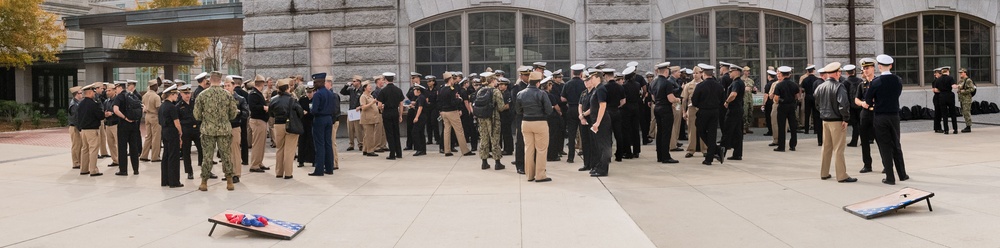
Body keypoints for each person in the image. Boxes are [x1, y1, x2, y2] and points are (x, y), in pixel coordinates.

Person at [862, 54, 909, 185]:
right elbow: (898, 94)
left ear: (879, 66)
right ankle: (902, 173)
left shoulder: (875, 83)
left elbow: (867, 100)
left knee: (885, 146)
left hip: (880, 116)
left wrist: (874, 103)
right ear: (891, 66)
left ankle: (890, 177)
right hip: (894, 115)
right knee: (896, 144)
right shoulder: (898, 80)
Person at [193, 71, 239, 191]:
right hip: (224, 130)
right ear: (220, 80)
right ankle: (229, 181)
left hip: (208, 130)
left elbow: (196, 115)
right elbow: (234, 114)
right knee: (226, 155)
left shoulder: (202, 95)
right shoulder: (228, 95)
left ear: (210, 80)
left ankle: (204, 182)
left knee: (207, 156)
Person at [814, 62, 857, 183]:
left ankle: (824, 172)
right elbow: (843, 104)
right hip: (836, 121)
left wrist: (823, 112)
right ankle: (842, 175)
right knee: (838, 148)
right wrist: (845, 118)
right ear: (837, 73)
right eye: (839, 72)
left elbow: (816, 103)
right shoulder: (839, 86)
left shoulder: (820, 86)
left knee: (826, 147)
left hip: (825, 120)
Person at [516, 71, 553, 182]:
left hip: (526, 122)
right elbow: (549, 110)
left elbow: (518, 110)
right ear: (538, 83)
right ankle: (540, 175)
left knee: (528, 149)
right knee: (541, 150)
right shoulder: (542, 93)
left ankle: (529, 175)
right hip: (540, 122)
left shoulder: (520, 93)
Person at [269, 78, 304, 179]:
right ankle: (288, 173)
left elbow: (270, 113)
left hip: (277, 125)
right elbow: (300, 112)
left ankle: (279, 172)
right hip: (290, 125)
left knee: (279, 148)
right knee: (289, 150)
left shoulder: (273, 99)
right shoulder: (292, 99)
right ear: (287, 88)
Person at [691, 64, 726, 165]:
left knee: (701, 130)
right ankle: (710, 156)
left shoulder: (700, 86)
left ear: (703, 74)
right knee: (712, 134)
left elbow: (694, 101)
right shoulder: (719, 86)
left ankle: (716, 150)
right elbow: (722, 100)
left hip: (703, 111)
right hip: (715, 111)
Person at [474, 72, 506, 169]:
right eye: (496, 80)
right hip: (493, 118)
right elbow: (501, 107)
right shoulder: (496, 92)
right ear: (492, 80)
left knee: (483, 139)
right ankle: (497, 162)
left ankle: (484, 162)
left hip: (482, 118)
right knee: (495, 139)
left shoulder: (480, 91)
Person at [585, 68, 613, 177]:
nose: (590, 80)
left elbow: (602, 105)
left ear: (597, 77)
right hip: (597, 121)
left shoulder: (601, 89)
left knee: (604, 145)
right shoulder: (596, 89)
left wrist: (597, 122)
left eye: (591, 78)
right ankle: (599, 166)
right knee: (598, 146)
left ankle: (603, 169)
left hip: (602, 122)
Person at [309, 73, 339, 176]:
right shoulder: (330, 93)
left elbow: (314, 110)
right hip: (329, 119)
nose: (314, 84)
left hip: (320, 119)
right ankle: (330, 168)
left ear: (319, 82)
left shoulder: (317, 94)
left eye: (315, 82)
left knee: (319, 145)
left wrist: (311, 111)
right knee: (328, 143)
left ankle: (319, 169)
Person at [439, 72, 474, 157]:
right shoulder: (451, 89)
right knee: (459, 131)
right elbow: (453, 102)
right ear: (450, 79)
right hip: (452, 111)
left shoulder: (442, 89)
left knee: (447, 131)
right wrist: (459, 99)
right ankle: (465, 150)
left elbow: (439, 101)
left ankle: (447, 150)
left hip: (444, 112)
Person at [113, 80, 144, 176]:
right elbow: (143, 107)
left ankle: (123, 170)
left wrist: (125, 117)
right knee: (133, 147)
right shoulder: (132, 96)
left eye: (115, 88)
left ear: (119, 87)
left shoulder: (120, 97)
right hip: (134, 124)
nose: (115, 90)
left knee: (122, 148)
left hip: (123, 125)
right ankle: (136, 169)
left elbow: (115, 110)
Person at [652, 62, 680, 164]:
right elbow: (670, 98)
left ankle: (660, 155)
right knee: (666, 133)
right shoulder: (667, 83)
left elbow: (653, 97)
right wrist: (677, 99)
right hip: (665, 109)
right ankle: (666, 156)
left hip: (657, 107)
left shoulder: (654, 82)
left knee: (659, 132)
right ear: (666, 71)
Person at [854, 58, 878, 173]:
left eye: (867, 68)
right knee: (864, 140)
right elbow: (856, 99)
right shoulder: (861, 85)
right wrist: (862, 103)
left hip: (876, 113)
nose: (865, 70)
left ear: (873, 68)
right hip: (865, 114)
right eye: (864, 68)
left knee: (881, 140)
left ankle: (886, 164)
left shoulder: (878, 82)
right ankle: (867, 165)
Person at [78, 83, 106, 176]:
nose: (94, 94)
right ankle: (93, 170)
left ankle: (84, 169)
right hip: (92, 129)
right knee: (93, 149)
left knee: (85, 149)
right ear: (90, 93)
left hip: (83, 130)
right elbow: (100, 116)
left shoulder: (80, 104)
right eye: (93, 92)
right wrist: (104, 114)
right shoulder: (93, 104)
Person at [376, 72, 405, 160]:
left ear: (385, 80)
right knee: (396, 132)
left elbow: (379, 105)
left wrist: (382, 109)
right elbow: (401, 104)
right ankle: (399, 153)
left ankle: (392, 153)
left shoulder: (383, 91)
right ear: (393, 79)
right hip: (395, 112)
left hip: (387, 113)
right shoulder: (398, 90)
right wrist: (400, 115)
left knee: (389, 134)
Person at [226, 77, 249, 183]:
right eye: (225, 86)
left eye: (228, 85)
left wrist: (238, 112)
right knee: (225, 152)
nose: (226, 88)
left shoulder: (240, 99)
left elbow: (246, 113)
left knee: (235, 151)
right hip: (223, 128)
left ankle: (236, 174)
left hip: (235, 126)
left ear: (233, 86)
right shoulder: (221, 99)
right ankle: (228, 173)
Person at [720, 66, 746, 160]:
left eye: (731, 71)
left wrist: (727, 102)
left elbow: (733, 94)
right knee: (737, 133)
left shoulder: (736, 83)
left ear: (736, 72)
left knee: (727, 132)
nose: (729, 73)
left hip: (733, 110)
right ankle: (737, 154)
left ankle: (721, 154)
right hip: (738, 109)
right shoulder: (740, 82)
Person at [159, 85, 183, 187]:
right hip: (172, 131)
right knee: (174, 156)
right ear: (171, 95)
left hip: (164, 131)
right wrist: (180, 133)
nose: (177, 96)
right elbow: (176, 122)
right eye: (176, 94)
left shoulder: (162, 106)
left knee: (166, 155)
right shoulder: (172, 107)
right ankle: (174, 181)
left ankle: (165, 180)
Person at [681, 67, 708, 158]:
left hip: (702, 109)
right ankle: (691, 150)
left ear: (701, 73)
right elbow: (684, 100)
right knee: (691, 130)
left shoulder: (705, 84)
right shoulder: (688, 85)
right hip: (691, 109)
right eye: (693, 73)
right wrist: (684, 112)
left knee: (703, 129)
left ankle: (704, 149)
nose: (695, 75)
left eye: (697, 73)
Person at [247, 75, 271, 173]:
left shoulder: (257, 93)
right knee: (257, 144)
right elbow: (253, 107)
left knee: (261, 144)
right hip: (257, 121)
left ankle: (259, 162)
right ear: (262, 83)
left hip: (261, 121)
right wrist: (263, 107)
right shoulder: (253, 94)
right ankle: (254, 165)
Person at [773, 66, 799, 152]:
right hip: (792, 106)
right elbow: (797, 96)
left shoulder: (779, 85)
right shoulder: (794, 84)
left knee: (781, 126)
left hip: (782, 107)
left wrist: (779, 101)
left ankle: (781, 146)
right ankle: (793, 145)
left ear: (782, 74)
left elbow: (776, 98)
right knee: (793, 126)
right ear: (789, 74)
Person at [621, 66, 644, 159]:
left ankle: (628, 152)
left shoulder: (624, 86)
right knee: (635, 129)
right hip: (636, 107)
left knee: (626, 130)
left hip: (626, 108)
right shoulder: (637, 84)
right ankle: (636, 151)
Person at [140, 81, 162, 162]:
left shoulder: (145, 95)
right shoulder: (156, 97)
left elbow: (143, 105)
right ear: (155, 86)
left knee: (148, 136)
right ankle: (155, 156)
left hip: (147, 116)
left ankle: (144, 155)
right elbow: (158, 108)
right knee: (156, 137)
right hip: (154, 116)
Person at [340, 75, 364, 151]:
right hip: (351, 111)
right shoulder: (351, 90)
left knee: (358, 129)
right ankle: (351, 144)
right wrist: (346, 85)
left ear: (359, 82)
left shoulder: (362, 90)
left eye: (354, 81)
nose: (352, 83)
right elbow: (342, 92)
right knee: (350, 129)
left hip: (358, 111)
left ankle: (361, 144)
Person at [359, 81, 380, 157]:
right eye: (369, 86)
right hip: (367, 118)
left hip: (372, 118)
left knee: (367, 135)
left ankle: (365, 149)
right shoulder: (363, 96)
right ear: (365, 88)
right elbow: (363, 107)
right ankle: (370, 150)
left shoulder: (370, 96)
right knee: (369, 135)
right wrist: (372, 103)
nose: (370, 87)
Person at [935, 67, 959, 134]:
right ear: (947, 72)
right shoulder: (950, 78)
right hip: (949, 95)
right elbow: (954, 86)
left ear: (942, 72)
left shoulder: (938, 79)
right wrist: (958, 86)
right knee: (952, 113)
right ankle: (955, 129)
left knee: (944, 114)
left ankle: (946, 130)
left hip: (942, 96)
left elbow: (936, 90)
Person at [843, 65, 863, 147]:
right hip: (860, 104)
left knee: (855, 124)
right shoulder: (860, 81)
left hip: (851, 106)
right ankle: (864, 140)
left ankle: (854, 141)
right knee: (861, 123)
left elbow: (844, 96)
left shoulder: (845, 82)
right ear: (854, 72)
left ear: (847, 73)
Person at [298, 82, 316, 167]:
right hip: (303, 122)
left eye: (310, 92)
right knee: (302, 142)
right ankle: (301, 160)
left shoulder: (315, 99)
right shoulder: (302, 100)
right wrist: (302, 112)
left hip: (312, 122)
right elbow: (298, 109)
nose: (309, 94)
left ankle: (313, 160)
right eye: (308, 92)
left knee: (312, 142)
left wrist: (308, 113)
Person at [102, 84, 120, 168]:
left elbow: (121, 111)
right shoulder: (106, 101)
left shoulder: (118, 100)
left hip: (116, 124)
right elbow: (104, 110)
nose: (107, 92)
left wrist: (112, 113)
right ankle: (115, 160)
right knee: (110, 144)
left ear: (114, 90)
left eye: (109, 90)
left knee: (119, 143)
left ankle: (121, 160)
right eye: (106, 91)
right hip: (108, 124)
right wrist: (105, 114)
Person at [68, 86, 83, 170]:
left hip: (76, 126)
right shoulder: (74, 104)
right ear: (76, 94)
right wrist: (80, 129)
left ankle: (79, 161)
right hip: (74, 127)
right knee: (76, 145)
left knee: (79, 145)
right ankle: (76, 163)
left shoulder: (77, 103)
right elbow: (75, 118)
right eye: (81, 93)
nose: (82, 95)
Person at [957, 68, 976, 133]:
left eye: (961, 73)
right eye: (959, 73)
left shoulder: (968, 80)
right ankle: (967, 125)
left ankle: (968, 126)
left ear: (965, 73)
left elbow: (972, 89)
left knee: (966, 112)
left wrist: (963, 91)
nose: (960, 74)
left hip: (967, 99)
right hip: (962, 99)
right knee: (964, 112)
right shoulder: (961, 81)